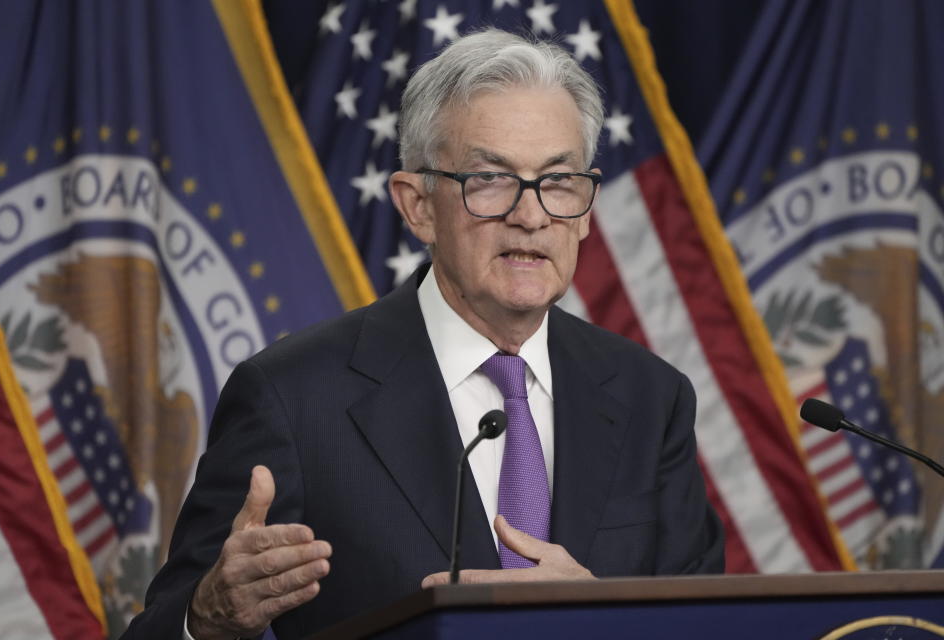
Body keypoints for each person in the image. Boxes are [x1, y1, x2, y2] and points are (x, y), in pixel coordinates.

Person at [123, 28, 723, 640]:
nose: (532, 213)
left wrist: (600, 618)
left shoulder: (651, 396)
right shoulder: (293, 399)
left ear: (588, 206)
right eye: (491, 179)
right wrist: (207, 617)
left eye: (558, 181)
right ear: (418, 206)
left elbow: (708, 628)